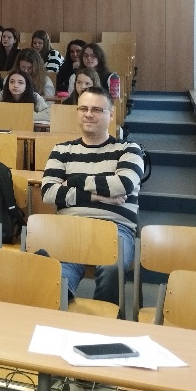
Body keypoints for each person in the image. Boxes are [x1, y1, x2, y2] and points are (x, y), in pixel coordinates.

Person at [41, 87, 142, 309]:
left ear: (111, 115)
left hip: (115, 227)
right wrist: (97, 197)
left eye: (96, 110)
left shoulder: (128, 149)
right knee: (57, 271)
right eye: (83, 109)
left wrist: (75, 180)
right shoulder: (62, 150)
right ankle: (61, 313)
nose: (88, 114)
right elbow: (48, 192)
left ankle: (106, 318)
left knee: (112, 266)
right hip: (70, 226)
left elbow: (123, 184)